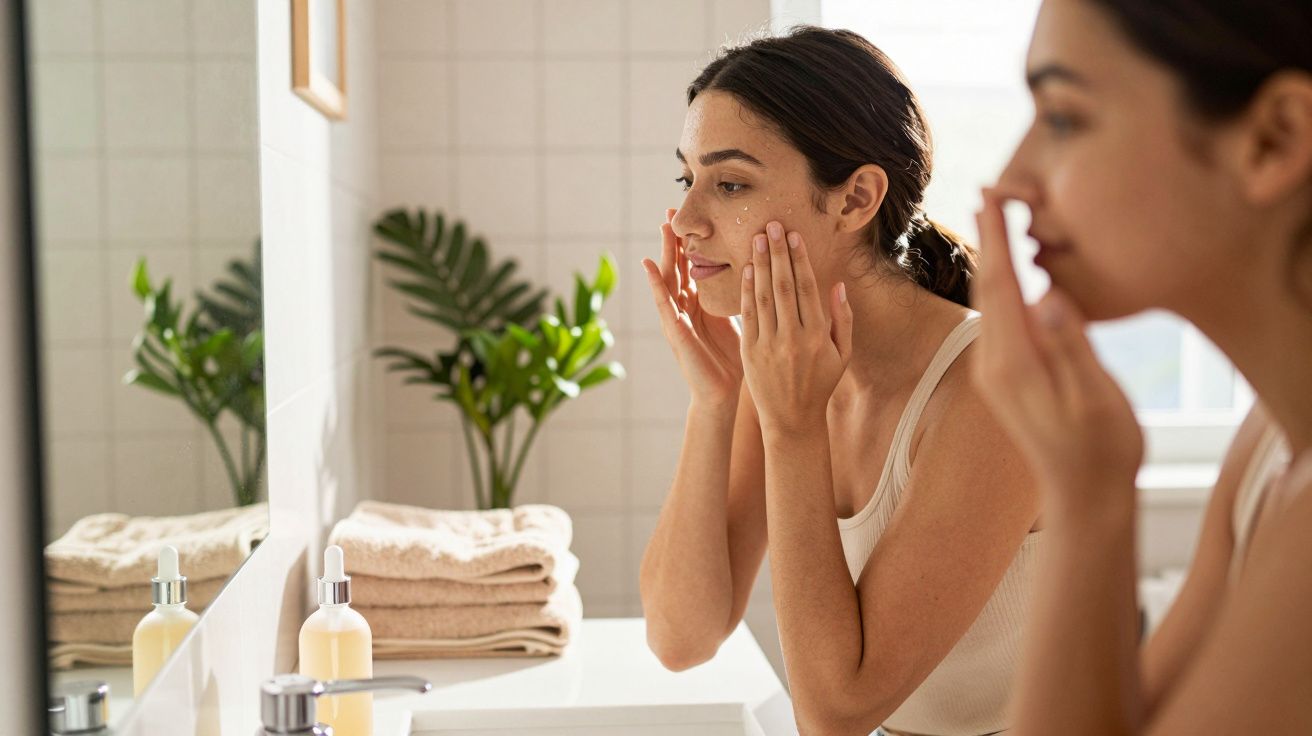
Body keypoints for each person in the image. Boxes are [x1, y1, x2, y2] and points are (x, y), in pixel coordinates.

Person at [639, 27, 1041, 736]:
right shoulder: (786, 368)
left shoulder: (998, 388)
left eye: (729, 183)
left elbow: (835, 713)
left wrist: (792, 431)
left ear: (855, 199)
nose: (689, 222)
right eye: (686, 179)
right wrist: (715, 401)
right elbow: (682, 637)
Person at [971, 1, 1312, 733]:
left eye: (1063, 118)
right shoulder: (1271, 444)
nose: (1011, 179)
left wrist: (1088, 502)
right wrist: (1087, 488)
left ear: (1274, 140)